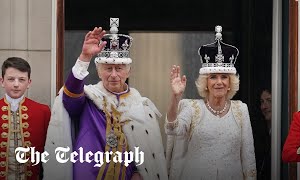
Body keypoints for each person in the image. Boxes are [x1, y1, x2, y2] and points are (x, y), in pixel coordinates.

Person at [44, 18, 167, 180]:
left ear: (128, 72)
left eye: (119, 68)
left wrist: (138, 171)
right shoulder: (88, 98)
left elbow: (146, 149)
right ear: (98, 70)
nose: (114, 74)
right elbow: (69, 97)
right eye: (108, 68)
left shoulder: (141, 106)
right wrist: (84, 57)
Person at [165, 26, 256, 180]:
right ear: (205, 82)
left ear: (230, 83)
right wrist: (175, 97)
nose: (219, 82)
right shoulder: (192, 108)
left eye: (224, 77)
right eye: (213, 77)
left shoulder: (241, 109)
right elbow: (172, 129)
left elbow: (248, 157)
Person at [0, 57, 51, 179]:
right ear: (2, 81)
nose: (16, 84)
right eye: (11, 79)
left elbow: (49, 153)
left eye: (22, 79)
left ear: (29, 83)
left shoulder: (43, 111)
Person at [251, 88, 271, 180]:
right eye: (262, 102)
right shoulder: (259, 132)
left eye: (269, 101)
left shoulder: (282, 133)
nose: (264, 106)